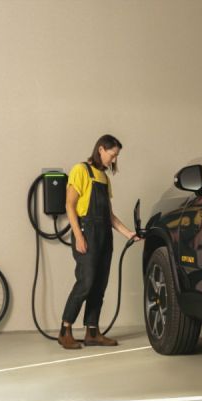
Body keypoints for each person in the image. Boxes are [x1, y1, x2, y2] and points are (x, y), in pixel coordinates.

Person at [58, 134, 140, 349]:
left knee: (99, 284)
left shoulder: (104, 178)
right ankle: (65, 330)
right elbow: (69, 205)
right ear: (101, 149)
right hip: (87, 231)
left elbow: (110, 216)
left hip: (105, 233)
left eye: (116, 157)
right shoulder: (81, 170)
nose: (113, 160)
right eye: (112, 155)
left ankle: (92, 332)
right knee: (86, 282)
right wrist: (79, 236)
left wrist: (129, 233)